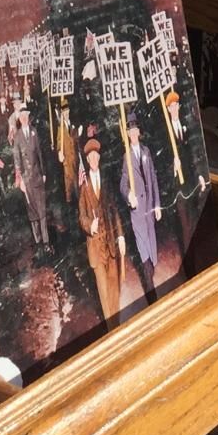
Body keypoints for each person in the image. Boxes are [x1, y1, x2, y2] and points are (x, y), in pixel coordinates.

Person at [78, 137, 127, 321]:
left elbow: (114, 211)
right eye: (90, 158)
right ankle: (111, 327)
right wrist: (89, 225)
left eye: (95, 156)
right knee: (104, 291)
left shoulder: (106, 182)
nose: (93, 160)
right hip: (95, 247)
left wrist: (120, 236)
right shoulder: (84, 187)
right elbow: (81, 216)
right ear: (87, 160)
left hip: (110, 243)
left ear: (99, 158)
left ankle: (117, 321)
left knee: (114, 287)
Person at [120, 120, 162, 304]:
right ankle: (151, 294)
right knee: (142, 248)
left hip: (150, 207)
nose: (133, 134)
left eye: (135, 131)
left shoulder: (146, 152)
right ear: (128, 135)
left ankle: (150, 275)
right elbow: (123, 183)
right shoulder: (126, 157)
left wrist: (157, 204)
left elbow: (153, 178)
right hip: (137, 210)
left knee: (152, 247)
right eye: (130, 132)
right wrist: (129, 194)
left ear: (139, 132)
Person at [9, 100, 49, 247]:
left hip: (37, 176)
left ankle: (46, 242)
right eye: (22, 116)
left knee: (42, 209)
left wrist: (43, 172)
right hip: (26, 180)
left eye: (26, 116)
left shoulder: (34, 132)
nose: (25, 118)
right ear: (19, 119)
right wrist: (20, 180)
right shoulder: (17, 137)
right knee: (32, 212)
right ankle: (38, 242)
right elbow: (16, 160)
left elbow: (39, 153)